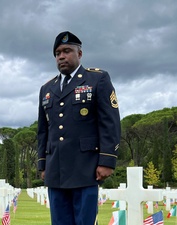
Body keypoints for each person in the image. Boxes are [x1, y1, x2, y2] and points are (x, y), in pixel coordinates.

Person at [37, 31, 121, 225]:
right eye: (58, 53)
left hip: (86, 168)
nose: (62, 56)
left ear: (79, 54)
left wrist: (107, 160)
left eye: (67, 51)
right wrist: (43, 164)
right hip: (56, 170)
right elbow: (43, 131)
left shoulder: (97, 79)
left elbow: (110, 122)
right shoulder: (47, 88)